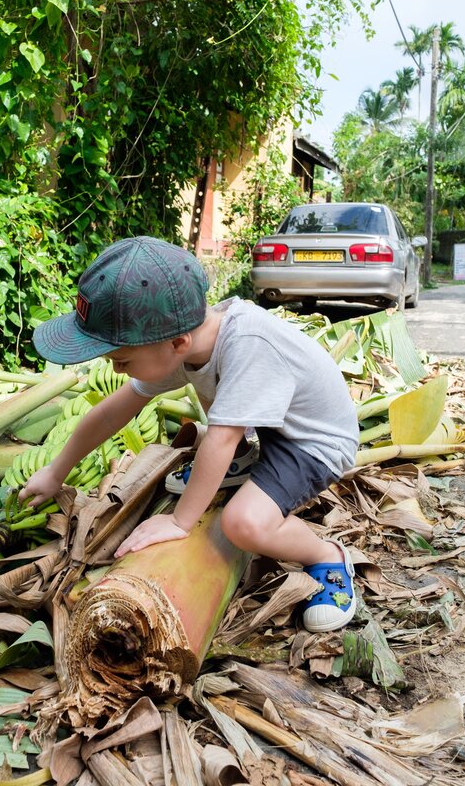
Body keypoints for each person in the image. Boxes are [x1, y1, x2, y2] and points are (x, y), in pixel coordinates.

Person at [20, 236, 361, 633]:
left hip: (313, 444)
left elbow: (221, 437)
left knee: (243, 524)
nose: (116, 370)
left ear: (177, 343)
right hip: (273, 427)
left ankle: (327, 558)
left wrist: (181, 523)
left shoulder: (248, 346)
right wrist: (56, 471)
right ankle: (245, 463)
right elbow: (114, 410)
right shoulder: (182, 341)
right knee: (217, 437)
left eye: (122, 360)